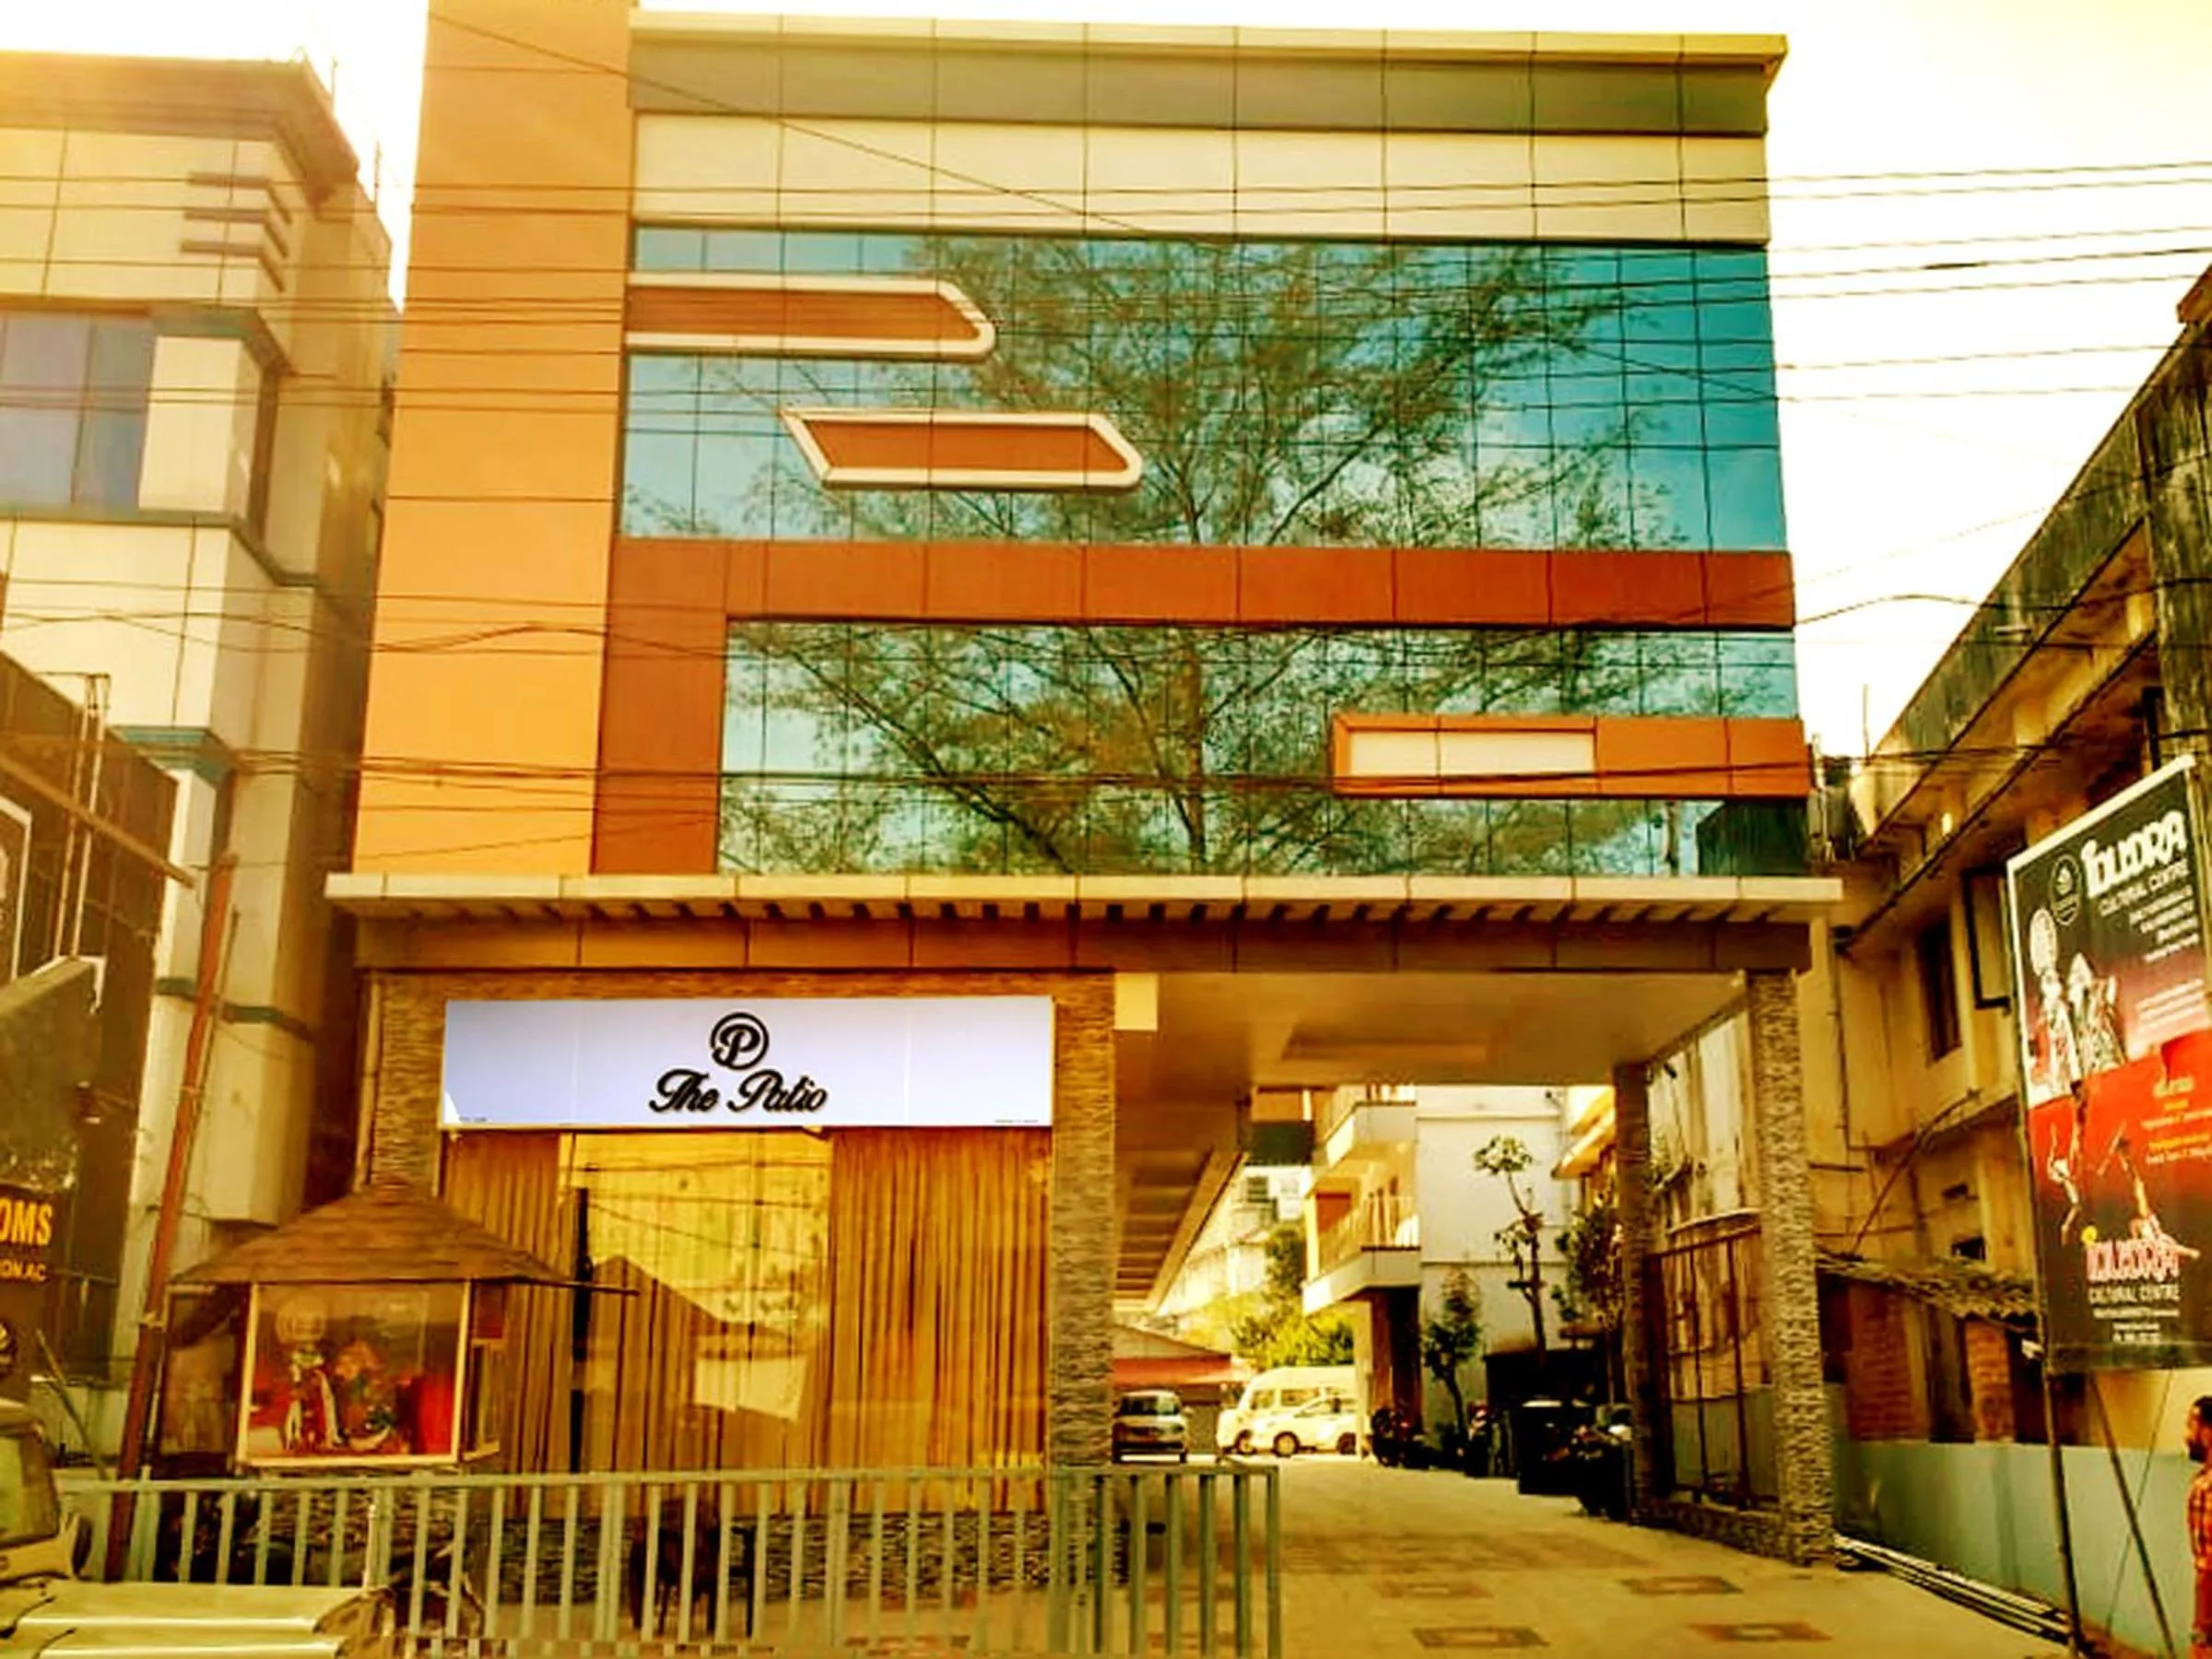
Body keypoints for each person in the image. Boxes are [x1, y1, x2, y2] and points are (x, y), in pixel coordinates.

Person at [2186, 1395, 2212, 1659]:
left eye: (2191, 1425)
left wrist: (2202, 1633)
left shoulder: (2206, 1488)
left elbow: (2208, 1568)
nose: (2187, 1435)